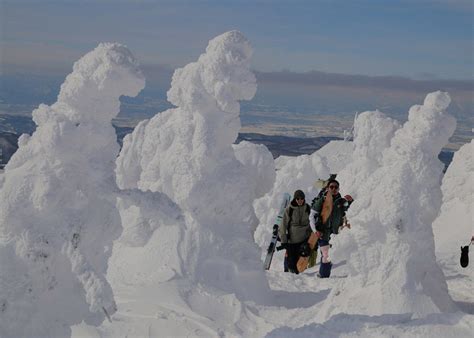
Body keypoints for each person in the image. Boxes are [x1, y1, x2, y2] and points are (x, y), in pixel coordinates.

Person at [310, 179, 353, 278]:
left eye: (335, 187)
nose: (333, 189)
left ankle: (323, 274)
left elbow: (350, 210)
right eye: (331, 187)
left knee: (331, 255)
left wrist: (350, 201)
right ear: (328, 188)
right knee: (326, 254)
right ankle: (324, 276)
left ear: (338, 189)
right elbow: (312, 215)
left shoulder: (341, 201)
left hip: (335, 234)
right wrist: (315, 231)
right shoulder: (323, 199)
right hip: (323, 232)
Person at [279, 190, 312, 274]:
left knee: (301, 264)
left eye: (302, 199)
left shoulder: (308, 208)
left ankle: (301, 281)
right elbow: (283, 225)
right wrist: (283, 240)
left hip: (304, 240)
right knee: (292, 264)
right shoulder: (289, 209)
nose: (300, 200)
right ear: (295, 199)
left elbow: (312, 222)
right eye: (298, 199)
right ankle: (291, 279)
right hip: (292, 241)